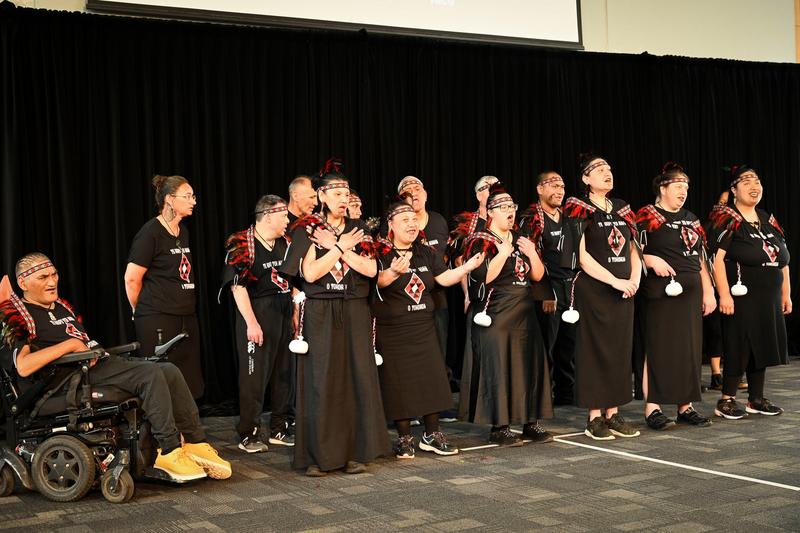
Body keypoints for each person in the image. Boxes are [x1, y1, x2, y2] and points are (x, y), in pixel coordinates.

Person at [1, 253, 231, 481]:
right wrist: (71, 345)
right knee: (149, 374)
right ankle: (169, 450)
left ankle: (195, 443)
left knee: (168, 370)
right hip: (66, 382)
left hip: (97, 365)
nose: (52, 282)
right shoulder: (20, 316)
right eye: (43, 277)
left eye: (54, 274)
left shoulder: (61, 306)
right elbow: (23, 366)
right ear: (23, 283)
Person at [280, 159, 390, 476]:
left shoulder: (359, 230)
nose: (344, 198)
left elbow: (371, 270)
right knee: (322, 381)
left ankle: (353, 453)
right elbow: (311, 273)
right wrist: (339, 248)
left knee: (355, 379)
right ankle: (318, 456)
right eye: (336, 192)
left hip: (355, 309)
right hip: (321, 311)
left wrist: (341, 247)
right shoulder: (307, 229)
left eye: (346, 191)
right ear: (322, 196)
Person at [373, 200, 484, 459]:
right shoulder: (379, 253)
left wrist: (466, 268)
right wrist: (390, 272)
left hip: (424, 326)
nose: (412, 225)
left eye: (414, 220)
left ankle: (431, 434)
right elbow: (373, 283)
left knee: (431, 380)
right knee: (399, 383)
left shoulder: (425, 252)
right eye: (405, 221)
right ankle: (404, 438)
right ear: (390, 225)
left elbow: (443, 278)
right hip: (394, 329)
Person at [460, 183, 553, 446]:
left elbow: (537, 275)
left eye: (512, 207)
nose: (510, 212)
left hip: (524, 313)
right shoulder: (480, 239)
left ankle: (530, 422)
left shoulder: (522, 237)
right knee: (499, 368)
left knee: (528, 366)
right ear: (490, 212)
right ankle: (499, 426)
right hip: (496, 313)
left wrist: (532, 253)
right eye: (503, 208)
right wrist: (502, 253)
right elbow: (483, 276)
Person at [562, 154, 641, 440]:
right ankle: (594, 417)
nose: (607, 172)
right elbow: (581, 256)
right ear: (585, 178)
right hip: (595, 290)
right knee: (595, 351)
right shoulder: (578, 208)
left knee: (620, 350)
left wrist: (633, 279)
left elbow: (633, 248)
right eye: (599, 169)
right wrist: (615, 281)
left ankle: (613, 413)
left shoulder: (621, 208)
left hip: (624, 289)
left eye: (609, 167)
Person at [635, 163, 716, 430]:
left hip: (690, 293)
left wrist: (709, 289)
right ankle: (653, 407)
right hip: (660, 293)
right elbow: (631, 251)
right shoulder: (647, 215)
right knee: (658, 347)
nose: (684, 191)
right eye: (678, 186)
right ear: (663, 187)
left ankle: (685, 405)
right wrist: (650, 259)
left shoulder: (691, 217)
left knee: (689, 348)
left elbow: (700, 257)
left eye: (687, 187)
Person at [709, 165, 791, 419]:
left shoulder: (767, 219)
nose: (753, 186)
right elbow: (716, 259)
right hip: (741, 296)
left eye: (756, 181)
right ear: (733, 190)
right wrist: (723, 293)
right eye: (745, 182)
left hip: (769, 296)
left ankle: (756, 398)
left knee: (763, 343)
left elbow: (784, 260)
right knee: (740, 344)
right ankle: (727, 399)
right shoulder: (726, 218)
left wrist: (786, 294)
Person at [221, 195, 295, 453]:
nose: (288, 220)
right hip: (258, 313)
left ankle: (279, 428)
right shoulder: (243, 244)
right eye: (284, 215)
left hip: (284, 313)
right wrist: (252, 323)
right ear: (268, 215)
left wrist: (295, 313)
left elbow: (294, 281)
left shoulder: (286, 243)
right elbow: (237, 287)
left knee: (285, 374)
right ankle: (248, 433)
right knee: (254, 377)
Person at [124, 175, 204, 398]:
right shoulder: (150, 233)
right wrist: (139, 310)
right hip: (157, 317)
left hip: (185, 316)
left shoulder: (182, 231)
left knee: (188, 380)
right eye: (188, 196)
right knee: (162, 382)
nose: (193, 201)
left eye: (193, 196)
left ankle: (185, 431)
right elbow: (131, 279)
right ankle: (166, 433)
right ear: (169, 199)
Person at [519, 171, 578, 406]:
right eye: (552, 185)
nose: (559, 190)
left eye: (562, 185)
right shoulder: (530, 218)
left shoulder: (569, 217)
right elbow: (528, 259)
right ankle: (540, 396)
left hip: (570, 287)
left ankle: (566, 393)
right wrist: (544, 292)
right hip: (546, 287)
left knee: (569, 343)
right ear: (539, 189)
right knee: (545, 346)